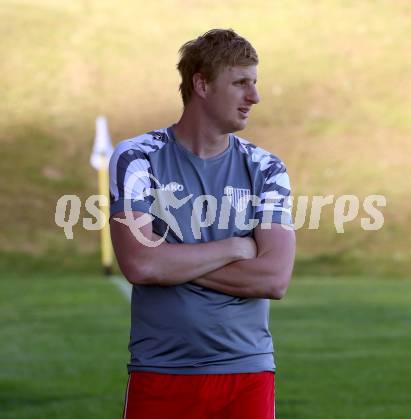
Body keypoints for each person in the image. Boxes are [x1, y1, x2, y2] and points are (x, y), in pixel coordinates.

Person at [109, 28, 295, 419]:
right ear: (202, 85)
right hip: (160, 371)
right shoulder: (137, 158)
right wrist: (233, 248)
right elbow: (140, 265)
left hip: (248, 373)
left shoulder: (266, 168)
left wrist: (168, 262)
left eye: (255, 82)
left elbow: (273, 278)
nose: (255, 97)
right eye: (241, 83)